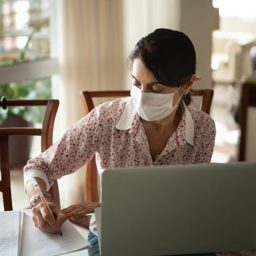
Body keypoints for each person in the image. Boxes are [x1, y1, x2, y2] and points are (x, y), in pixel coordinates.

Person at [23, 28, 216, 256]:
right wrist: (39, 202)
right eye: (136, 83)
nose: (142, 95)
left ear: (187, 85)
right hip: (113, 236)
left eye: (157, 88)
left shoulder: (204, 129)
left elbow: (194, 196)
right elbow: (39, 167)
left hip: (176, 235)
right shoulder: (106, 119)